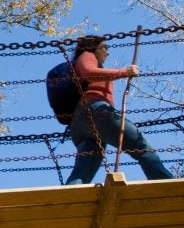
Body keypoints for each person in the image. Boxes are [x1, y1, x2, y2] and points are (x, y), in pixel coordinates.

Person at [65, 35, 173, 185]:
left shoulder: (80, 65)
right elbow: (89, 72)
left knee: (83, 171)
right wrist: (124, 72)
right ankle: (169, 186)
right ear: (93, 47)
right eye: (105, 47)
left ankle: (70, 202)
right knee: (142, 147)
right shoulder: (87, 55)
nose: (107, 52)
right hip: (96, 112)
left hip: (81, 123)